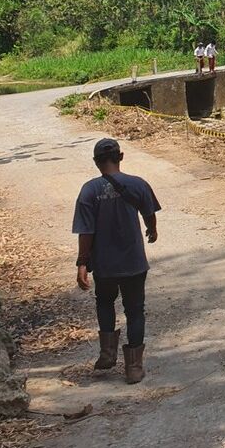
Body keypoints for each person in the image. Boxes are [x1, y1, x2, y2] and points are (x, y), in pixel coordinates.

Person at [74, 138, 161, 384]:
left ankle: (108, 352)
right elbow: (149, 214)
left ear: (95, 162)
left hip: (105, 265)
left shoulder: (89, 190)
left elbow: (86, 231)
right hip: (134, 261)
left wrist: (82, 262)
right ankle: (133, 367)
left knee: (104, 303)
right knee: (135, 310)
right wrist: (152, 231)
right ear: (120, 157)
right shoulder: (138, 184)